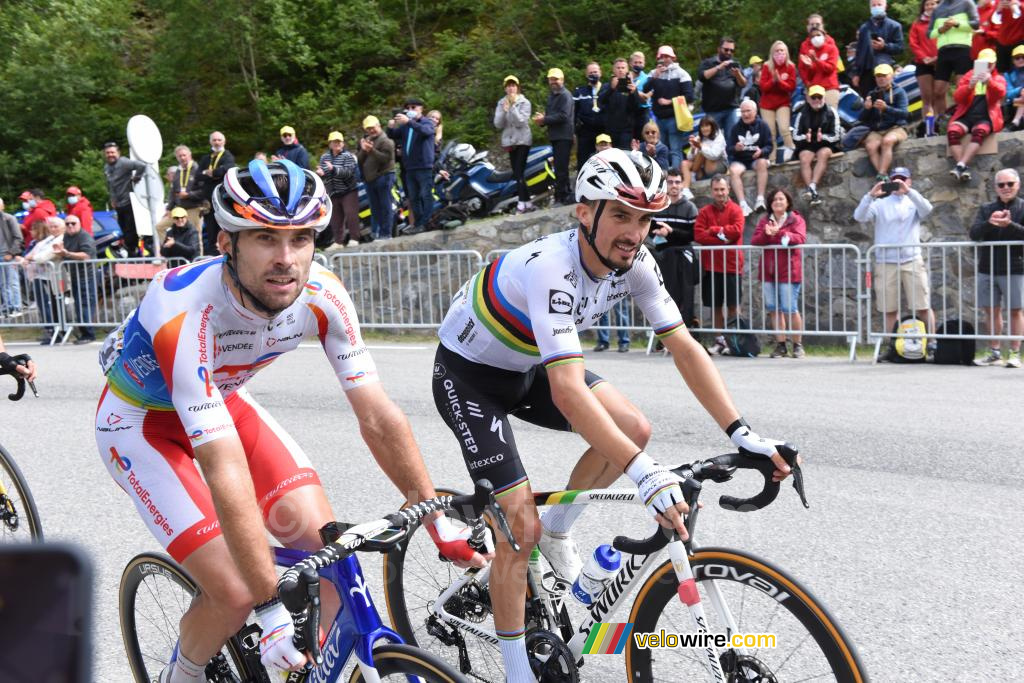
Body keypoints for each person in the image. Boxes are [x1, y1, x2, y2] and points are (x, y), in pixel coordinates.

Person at [94, 159, 485, 683]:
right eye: (264, 238)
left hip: (225, 404)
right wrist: (267, 605)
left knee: (327, 558)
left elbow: (377, 414)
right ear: (225, 243)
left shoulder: (323, 295)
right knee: (234, 593)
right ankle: (181, 674)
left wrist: (436, 517)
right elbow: (221, 461)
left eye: (301, 239)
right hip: (142, 427)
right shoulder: (184, 304)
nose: (286, 260)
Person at [431, 147, 791, 683]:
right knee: (516, 527)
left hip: (527, 365)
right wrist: (642, 473)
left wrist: (743, 433)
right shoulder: (553, 267)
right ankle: (515, 672)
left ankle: (557, 531)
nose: (634, 232)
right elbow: (570, 392)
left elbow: (686, 347)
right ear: (585, 212)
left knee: (634, 429)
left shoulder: (637, 262)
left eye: (645, 219)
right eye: (620, 215)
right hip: (470, 376)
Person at [852, 167, 937, 345]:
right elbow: (859, 216)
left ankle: (932, 343)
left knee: (923, 305)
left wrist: (909, 192)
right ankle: (893, 345)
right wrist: (870, 195)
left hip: (912, 259)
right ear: (889, 182)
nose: (899, 183)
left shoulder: (913, 201)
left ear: (909, 181)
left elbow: (927, 209)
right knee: (889, 308)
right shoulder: (880, 204)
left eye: (903, 179)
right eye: (896, 180)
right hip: (886, 261)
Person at [969, 167, 1024, 367]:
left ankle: (1015, 353)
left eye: (1010, 184)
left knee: (1016, 311)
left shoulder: (1023, 207)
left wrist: (1009, 224)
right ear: (995, 187)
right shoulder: (986, 209)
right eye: (1001, 184)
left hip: (1015, 267)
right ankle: (994, 351)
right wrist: (990, 223)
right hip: (988, 267)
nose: (1006, 188)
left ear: (1018, 185)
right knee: (991, 310)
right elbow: (974, 233)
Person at [751, 188, 807, 358]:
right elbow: (755, 240)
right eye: (774, 199)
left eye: (781, 199)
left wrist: (780, 232)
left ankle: (797, 344)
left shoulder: (796, 219)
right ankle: (781, 344)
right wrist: (767, 235)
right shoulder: (764, 220)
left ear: (788, 202)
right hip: (769, 271)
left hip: (789, 271)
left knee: (790, 308)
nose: (778, 202)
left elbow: (800, 238)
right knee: (774, 309)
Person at [694, 174, 746, 354]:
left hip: (732, 266)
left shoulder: (736, 210)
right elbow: (699, 235)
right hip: (711, 267)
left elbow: (737, 231)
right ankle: (720, 341)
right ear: (711, 191)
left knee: (733, 306)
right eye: (716, 190)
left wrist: (714, 230)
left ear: (729, 190)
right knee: (715, 306)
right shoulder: (704, 212)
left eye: (722, 189)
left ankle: (735, 341)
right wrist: (723, 240)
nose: (720, 193)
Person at [651, 167, 699, 329]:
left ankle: (688, 332)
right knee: (666, 296)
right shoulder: (658, 206)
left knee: (686, 296)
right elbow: (650, 230)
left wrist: (670, 232)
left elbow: (693, 235)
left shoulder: (690, 207)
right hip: (664, 257)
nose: (674, 185)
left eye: (677, 182)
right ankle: (665, 335)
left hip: (684, 256)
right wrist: (657, 232)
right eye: (670, 182)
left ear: (682, 185)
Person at [948, 48, 1006, 181]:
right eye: (984, 64)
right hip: (967, 115)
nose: (987, 67)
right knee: (952, 131)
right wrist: (969, 86)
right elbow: (957, 98)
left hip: (986, 117)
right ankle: (962, 166)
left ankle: (961, 165)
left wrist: (989, 82)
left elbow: (1000, 94)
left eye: (990, 64)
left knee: (980, 131)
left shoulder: (998, 78)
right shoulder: (969, 75)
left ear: (995, 63)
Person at [848, 63, 909, 179]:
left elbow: (905, 114)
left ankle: (881, 174)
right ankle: (884, 177)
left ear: (891, 76)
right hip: (877, 130)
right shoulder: (872, 94)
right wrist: (866, 109)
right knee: (871, 146)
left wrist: (887, 108)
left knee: (887, 141)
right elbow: (862, 118)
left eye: (884, 75)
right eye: (878, 76)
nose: (881, 79)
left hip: (897, 128)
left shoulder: (899, 92)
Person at [642, 45, 694, 169]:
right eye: (661, 56)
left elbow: (689, 97)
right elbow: (645, 90)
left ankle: (676, 175)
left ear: (673, 57)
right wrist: (655, 76)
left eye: (666, 56)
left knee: (675, 149)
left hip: (675, 118)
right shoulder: (654, 73)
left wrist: (669, 101)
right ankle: (663, 178)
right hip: (659, 118)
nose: (664, 59)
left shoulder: (682, 73)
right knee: (661, 149)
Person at [928, 0, 981, 120]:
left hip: (962, 49)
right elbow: (930, 34)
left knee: (962, 87)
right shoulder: (938, 8)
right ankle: (942, 120)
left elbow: (976, 24)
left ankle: (965, 117)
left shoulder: (967, 3)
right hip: (943, 51)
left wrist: (956, 23)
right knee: (938, 90)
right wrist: (942, 29)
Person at [390, 97, 437, 233]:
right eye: (408, 108)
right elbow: (393, 135)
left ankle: (427, 222)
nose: (410, 110)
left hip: (424, 166)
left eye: (413, 107)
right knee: (413, 197)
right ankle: (418, 223)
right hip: (409, 167)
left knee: (425, 195)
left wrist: (409, 122)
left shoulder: (426, 122)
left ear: (421, 109)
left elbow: (427, 131)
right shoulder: (405, 126)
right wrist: (391, 126)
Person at [792, 85, 843, 206]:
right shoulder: (801, 113)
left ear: (824, 97)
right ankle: (812, 190)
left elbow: (837, 135)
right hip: (807, 144)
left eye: (819, 97)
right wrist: (806, 138)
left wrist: (823, 137)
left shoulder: (831, 112)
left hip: (826, 144)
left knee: (823, 154)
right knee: (804, 157)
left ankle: (812, 187)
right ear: (808, 99)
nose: (816, 100)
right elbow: (795, 136)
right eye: (813, 97)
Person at [17, 216, 64, 344]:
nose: (53, 229)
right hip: (40, 276)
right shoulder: (48, 239)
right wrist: (30, 257)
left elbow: (44, 257)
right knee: (43, 306)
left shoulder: (61, 239)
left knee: (53, 306)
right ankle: (49, 330)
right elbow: (34, 251)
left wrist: (32, 258)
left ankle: (56, 332)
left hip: (52, 276)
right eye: (51, 227)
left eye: (56, 226)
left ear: (62, 227)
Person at [53, 214, 97, 344]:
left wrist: (67, 253)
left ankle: (89, 334)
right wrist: (62, 253)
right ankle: (84, 333)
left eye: (73, 223)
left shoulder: (84, 236)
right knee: (79, 305)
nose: (70, 226)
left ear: (79, 224)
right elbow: (66, 253)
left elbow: (87, 255)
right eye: (67, 224)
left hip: (86, 276)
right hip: (75, 276)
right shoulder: (67, 236)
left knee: (85, 304)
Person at [494, 75, 536, 214]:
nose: (511, 88)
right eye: (508, 86)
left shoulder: (525, 102)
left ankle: (521, 203)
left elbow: (521, 122)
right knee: (518, 173)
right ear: (505, 88)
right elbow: (498, 124)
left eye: (513, 85)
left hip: (523, 140)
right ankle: (527, 202)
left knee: (519, 171)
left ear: (517, 87)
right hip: (509, 141)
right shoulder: (501, 103)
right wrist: (504, 111)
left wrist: (512, 108)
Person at [533, 68, 575, 205]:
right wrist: (541, 121)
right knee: (559, 167)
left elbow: (563, 116)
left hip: (564, 135)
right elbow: (551, 116)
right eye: (551, 79)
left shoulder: (565, 95)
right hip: (555, 136)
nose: (554, 82)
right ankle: (564, 195)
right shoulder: (552, 96)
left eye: (556, 79)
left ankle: (562, 197)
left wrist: (544, 120)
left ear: (562, 80)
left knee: (561, 168)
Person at [727, 99, 773, 216]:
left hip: (757, 159)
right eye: (743, 112)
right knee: (733, 170)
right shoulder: (735, 127)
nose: (745, 114)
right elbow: (729, 149)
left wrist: (762, 151)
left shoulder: (763, 125)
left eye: (748, 111)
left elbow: (769, 146)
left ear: (755, 111)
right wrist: (735, 148)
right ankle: (743, 204)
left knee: (762, 163)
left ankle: (760, 199)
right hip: (740, 160)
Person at [103, 141, 149, 257]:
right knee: (123, 229)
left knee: (130, 231)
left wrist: (137, 177)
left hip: (129, 202)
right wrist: (112, 199)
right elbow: (110, 185)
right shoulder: (107, 167)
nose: (110, 155)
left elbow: (142, 166)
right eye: (108, 153)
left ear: (118, 152)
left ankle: (134, 253)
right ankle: (130, 253)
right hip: (118, 204)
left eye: (112, 152)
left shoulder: (124, 162)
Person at [852, 0, 905, 96]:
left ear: (885, 6)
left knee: (885, 100)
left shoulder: (895, 26)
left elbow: (900, 47)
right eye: (874, 5)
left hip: (884, 70)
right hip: (866, 72)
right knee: (868, 102)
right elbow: (859, 53)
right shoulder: (864, 28)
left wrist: (885, 46)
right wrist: (856, 73)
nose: (876, 7)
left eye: (879, 4)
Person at [317, 131, 361, 247]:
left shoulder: (348, 156)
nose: (337, 144)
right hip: (333, 192)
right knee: (335, 219)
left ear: (342, 143)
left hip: (349, 190)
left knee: (351, 215)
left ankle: (354, 238)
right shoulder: (324, 157)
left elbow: (348, 173)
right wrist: (321, 173)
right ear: (330, 144)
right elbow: (325, 173)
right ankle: (338, 241)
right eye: (334, 142)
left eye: (339, 142)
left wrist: (333, 169)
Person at [699, 37, 747, 141]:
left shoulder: (736, 64)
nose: (729, 52)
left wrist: (738, 74)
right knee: (712, 139)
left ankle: (732, 157)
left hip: (731, 108)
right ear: (718, 49)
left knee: (732, 138)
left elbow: (743, 84)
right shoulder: (708, 63)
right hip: (713, 110)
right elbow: (702, 76)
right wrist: (718, 67)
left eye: (732, 50)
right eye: (726, 49)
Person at [197, 131, 236, 257]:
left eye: (219, 140)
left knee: (223, 226)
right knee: (209, 229)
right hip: (208, 201)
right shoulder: (206, 158)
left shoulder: (228, 156)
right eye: (214, 140)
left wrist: (212, 173)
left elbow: (227, 169)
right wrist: (213, 174)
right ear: (210, 141)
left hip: (221, 198)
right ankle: (211, 256)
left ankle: (226, 253)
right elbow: (198, 175)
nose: (217, 142)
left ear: (224, 141)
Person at [358, 115, 396, 240]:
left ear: (378, 126)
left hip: (384, 176)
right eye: (368, 129)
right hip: (370, 180)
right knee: (375, 208)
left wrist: (371, 150)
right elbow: (359, 161)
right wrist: (364, 150)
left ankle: (387, 233)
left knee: (385, 206)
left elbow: (386, 159)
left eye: (373, 127)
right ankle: (378, 232)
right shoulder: (366, 140)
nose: (371, 131)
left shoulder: (386, 141)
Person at [759, 40, 797, 163]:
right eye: (777, 50)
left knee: (784, 128)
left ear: (786, 52)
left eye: (782, 50)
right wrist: (773, 81)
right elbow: (763, 87)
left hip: (783, 102)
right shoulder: (766, 66)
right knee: (771, 133)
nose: (779, 53)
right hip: (767, 105)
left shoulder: (790, 66)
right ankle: (772, 159)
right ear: (772, 53)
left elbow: (791, 87)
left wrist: (780, 81)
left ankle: (792, 151)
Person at [161, 145, 204, 248]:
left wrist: (189, 195)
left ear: (190, 155)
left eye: (184, 155)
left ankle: (197, 260)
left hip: (194, 207)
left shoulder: (198, 169)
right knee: (160, 227)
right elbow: (172, 191)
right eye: (180, 156)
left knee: (196, 235)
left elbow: (204, 191)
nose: (182, 158)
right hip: (180, 209)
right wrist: (169, 209)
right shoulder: (178, 171)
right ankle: (170, 250)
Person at [798, 16, 842, 109]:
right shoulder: (804, 45)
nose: (814, 26)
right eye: (812, 24)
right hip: (812, 87)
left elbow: (831, 67)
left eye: (817, 24)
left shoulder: (831, 43)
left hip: (829, 86)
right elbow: (802, 68)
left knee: (830, 114)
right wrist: (807, 82)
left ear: (822, 26)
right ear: (807, 27)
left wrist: (816, 61)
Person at [598, 58, 641, 150]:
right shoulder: (606, 86)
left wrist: (633, 93)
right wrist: (611, 89)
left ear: (627, 70)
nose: (620, 70)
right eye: (618, 68)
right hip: (610, 130)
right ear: (614, 70)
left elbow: (636, 107)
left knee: (624, 156)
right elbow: (600, 102)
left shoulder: (631, 87)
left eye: (623, 68)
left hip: (626, 130)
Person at [910, 0, 940, 129]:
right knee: (927, 98)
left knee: (939, 96)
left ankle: (940, 125)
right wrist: (924, 58)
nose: (930, 7)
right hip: (923, 64)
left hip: (942, 62)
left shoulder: (944, 21)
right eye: (927, 4)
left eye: (933, 3)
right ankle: (929, 128)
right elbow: (913, 43)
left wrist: (940, 57)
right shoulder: (917, 24)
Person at [681, 116, 727, 200]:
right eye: (702, 126)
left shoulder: (719, 136)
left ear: (712, 126)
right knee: (684, 163)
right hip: (701, 168)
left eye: (707, 126)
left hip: (717, 165)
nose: (704, 129)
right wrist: (693, 148)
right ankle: (686, 189)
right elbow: (689, 157)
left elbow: (714, 155)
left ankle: (693, 174)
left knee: (702, 152)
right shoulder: (699, 137)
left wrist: (700, 146)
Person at [572, 62, 605, 167]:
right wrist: (573, 131)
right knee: (583, 160)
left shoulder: (607, 89)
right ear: (586, 75)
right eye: (590, 72)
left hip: (603, 132)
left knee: (604, 160)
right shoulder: (579, 92)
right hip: (585, 133)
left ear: (600, 73)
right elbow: (573, 112)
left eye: (595, 72)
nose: (593, 74)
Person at [0, 199, 24, 318]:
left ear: (3, 206)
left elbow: (18, 237)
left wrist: (12, 253)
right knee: (3, 284)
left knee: (12, 282)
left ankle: (17, 307)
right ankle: (7, 308)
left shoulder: (9, 218)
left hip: (8, 255)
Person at [630, 51, 653, 142]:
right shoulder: (626, 77)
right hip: (629, 112)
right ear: (631, 63)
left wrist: (634, 89)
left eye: (640, 62)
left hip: (643, 112)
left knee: (644, 140)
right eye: (635, 62)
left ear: (644, 63)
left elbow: (647, 97)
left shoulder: (648, 78)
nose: (638, 64)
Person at [1004, 44, 1024, 129]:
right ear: (1013, 60)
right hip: (1015, 103)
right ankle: (1017, 121)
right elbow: (1008, 94)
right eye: (1017, 58)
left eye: (1023, 57)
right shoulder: (1008, 74)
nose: (1021, 60)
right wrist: (1020, 90)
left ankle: (1016, 121)